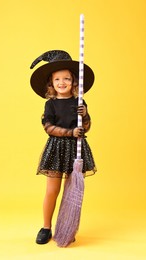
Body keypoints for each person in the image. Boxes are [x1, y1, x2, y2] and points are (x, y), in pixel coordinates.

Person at [30, 50, 97, 245]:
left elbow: (86, 128)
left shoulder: (79, 102)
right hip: (57, 149)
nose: (62, 82)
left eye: (66, 78)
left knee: (72, 190)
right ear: (51, 83)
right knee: (52, 190)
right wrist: (69, 132)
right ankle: (46, 227)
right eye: (57, 79)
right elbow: (48, 128)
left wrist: (84, 116)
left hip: (76, 148)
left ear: (74, 81)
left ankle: (67, 225)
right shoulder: (50, 105)